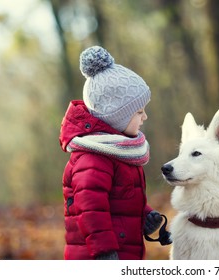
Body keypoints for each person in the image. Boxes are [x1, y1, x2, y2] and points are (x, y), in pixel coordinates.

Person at [59, 46, 163, 260]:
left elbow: (121, 202)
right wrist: (104, 252)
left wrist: (146, 216)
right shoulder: (93, 158)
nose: (145, 117)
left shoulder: (117, 152)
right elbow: (89, 208)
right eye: (139, 112)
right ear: (116, 116)